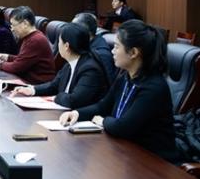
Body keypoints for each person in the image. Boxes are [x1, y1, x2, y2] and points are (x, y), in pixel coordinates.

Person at [60, 20, 178, 162]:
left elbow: (123, 127)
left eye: (116, 47)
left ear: (133, 52)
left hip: (154, 161)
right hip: (126, 151)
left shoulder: (154, 87)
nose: (112, 51)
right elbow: (103, 106)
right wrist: (77, 113)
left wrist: (103, 121)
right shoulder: (125, 77)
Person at [12, 23, 108, 108]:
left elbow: (73, 101)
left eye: (59, 41)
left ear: (66, 46)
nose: (58, 45)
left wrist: (56, 97)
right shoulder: (70, 63)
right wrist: (32, 90)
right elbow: (54, 85)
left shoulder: (90, 69)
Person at [0, 6, 56, 84]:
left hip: (37, 84)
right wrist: (5, 57)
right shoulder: (29, 37)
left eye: (13, 25)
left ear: (25, 23)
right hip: (28, 80)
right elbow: (23, 59)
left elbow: (17, 67)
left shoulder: (35, 40)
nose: (12, 29)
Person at [72, 12, 117, 84]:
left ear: (84, 31)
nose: (70, 32)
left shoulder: (102, 54)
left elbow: (111, 84)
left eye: (73, 29)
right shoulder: (83, 44)